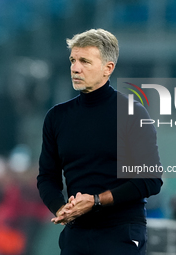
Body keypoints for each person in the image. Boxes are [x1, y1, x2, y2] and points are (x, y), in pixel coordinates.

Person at [37, 28, 163, 255]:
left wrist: (96, 201)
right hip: (76, 235)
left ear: (108, 68)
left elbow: (151, 180)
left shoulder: (132, 112)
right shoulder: (57, 117)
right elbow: (47, 177)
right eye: (73, 60)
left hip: (121, 233)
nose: (75, 68)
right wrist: (61, 208)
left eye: (84, 61)